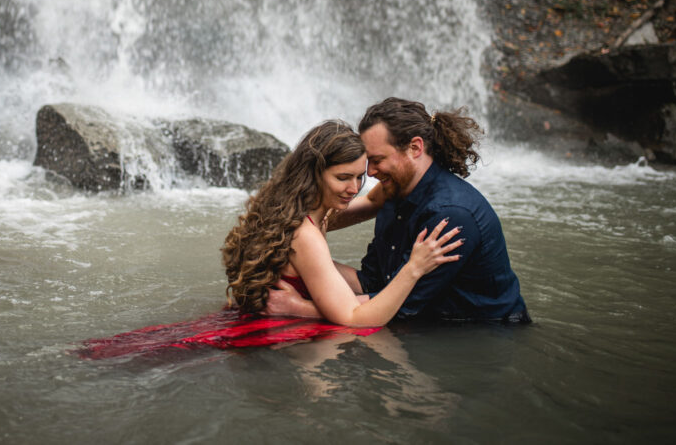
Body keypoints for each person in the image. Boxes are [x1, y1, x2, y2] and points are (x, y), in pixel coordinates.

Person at [265, 98, 530, 324]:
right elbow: (375, 281)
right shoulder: (395, 188)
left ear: (415, 148)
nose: (369, 173)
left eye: (377, 160)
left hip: (477, 334)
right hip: (408, 313)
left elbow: (404, 309)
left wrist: (299, 309)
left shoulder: (449, 217)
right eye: (368, 162)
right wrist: (292, 254)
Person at [221, 120, 463, 327]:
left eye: (359, 177)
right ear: (313, 174)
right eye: (343, 178)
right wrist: (414, 268)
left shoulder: (298, 210)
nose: (354, 188)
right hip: (283, 337)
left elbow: (372, 199)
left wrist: (412, 166)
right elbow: (353, 317)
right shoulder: (306, 236)